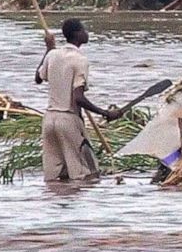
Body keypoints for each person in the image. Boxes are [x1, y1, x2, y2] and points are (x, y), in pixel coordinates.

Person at [35, 19, 121, 182]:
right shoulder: (80, 60)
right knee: (86, 174)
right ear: (77, 34)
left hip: (49, 121)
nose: (86, 33)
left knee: (53, 177)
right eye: (84, 30)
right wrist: (105, 113)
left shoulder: (53, 55)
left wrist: (48, 50)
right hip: (68, 120)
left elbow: (38, 78)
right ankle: (78, 206)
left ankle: (52, 206)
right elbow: (78, 98)